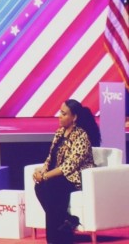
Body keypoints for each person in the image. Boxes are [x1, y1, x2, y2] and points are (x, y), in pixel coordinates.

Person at [32, 99, 101, 244]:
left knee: (51, 186)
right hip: (60, 176)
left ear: (74, 117)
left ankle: (55, 239)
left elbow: (69, 166)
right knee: (40, 186)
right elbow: (51, 157)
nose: (60, 116)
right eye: (60, 113)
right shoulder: (59, 133)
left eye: (64, 114)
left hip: (77, 177)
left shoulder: (82, 136)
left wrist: (45, 176)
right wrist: (41, 170)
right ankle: (68, 220)